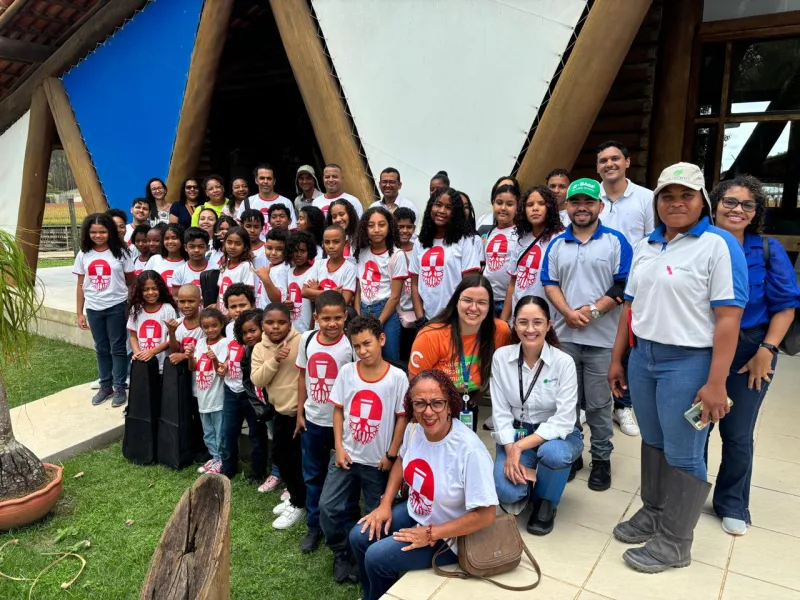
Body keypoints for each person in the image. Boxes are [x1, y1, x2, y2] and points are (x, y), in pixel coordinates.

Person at [608, 162, 747, 573]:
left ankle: (675, 541)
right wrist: (618, 358)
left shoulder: (718, 245)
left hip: (688, 361)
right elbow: (630, 308)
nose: (675, 203)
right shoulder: (647, 246)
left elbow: (728, 318)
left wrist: (716, 382)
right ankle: (653, 511)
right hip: (644, 357)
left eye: (685, 195)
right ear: (657, 203)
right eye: (666, 196)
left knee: (684, 452)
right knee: (652, 441)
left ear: (701, 200)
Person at [350, 370, 497, 600]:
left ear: (450, 404)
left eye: (437, 403)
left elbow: (487, 514)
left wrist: (430, 533)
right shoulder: (414, 430)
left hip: (449, 537)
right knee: (359, 536)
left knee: (376, 557)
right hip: (417, 513)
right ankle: (372, 594)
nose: (428, 412)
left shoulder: (470, 451)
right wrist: (385, 503)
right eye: (420, 403)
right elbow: (401, 459)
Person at [707, 175, 800, 536]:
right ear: (715, 205)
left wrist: (767, 349)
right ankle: (685, 494)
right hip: (702, 348)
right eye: (730, 201)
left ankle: (731, 501)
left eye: (748, 205)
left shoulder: (766, 249)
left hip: (750, 351)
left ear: (757, 212)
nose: (738, 210)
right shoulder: (698, 243)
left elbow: (786, 305)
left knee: (738, 431)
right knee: (695, 425)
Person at [542, 178, 632, 492]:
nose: (582, 207)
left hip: (602, 340)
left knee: (597, 405)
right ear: (566, 206)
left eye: (588, 202)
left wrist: (593, 311)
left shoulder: (616, 241)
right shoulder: (556, 243)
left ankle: (602, 459)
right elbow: (549, 282)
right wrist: (568, 313)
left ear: (600, 206)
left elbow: (623, 285)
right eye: (575, 201)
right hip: (564, 337)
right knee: (566, 403)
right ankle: (571, 453)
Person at [321, 315, 408, 583]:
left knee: (375, 515)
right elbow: (339, 410)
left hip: (377, 463)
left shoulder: (397, 377)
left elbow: (402, 417)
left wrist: (391, 454)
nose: (363, 351)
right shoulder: (348, 372)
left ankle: (364, 558)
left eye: (367, 343)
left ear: (382, 339)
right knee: (328, 507)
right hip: (346, 456)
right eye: (357, 346)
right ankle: (341, 552)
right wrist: (338, 446)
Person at [491, 296, 583, 535]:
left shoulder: (564, 363)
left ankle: (546, 503)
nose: (530, 329)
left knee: (554, 454)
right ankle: (541, 479)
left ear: (549, 325)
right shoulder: (501, 357)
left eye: (537, 322)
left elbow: (564, 420)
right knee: (508, 493)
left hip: (556, 435)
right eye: (523, 322)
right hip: (516, 431)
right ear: (514, 324)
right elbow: (500, 412)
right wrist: (511, 448)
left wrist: (518, 448)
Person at [596, 141, 654, 438]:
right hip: (595, 285)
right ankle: (590, 403)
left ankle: (623, 405)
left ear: (627, 162)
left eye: (615, 158)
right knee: (596, 344)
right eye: (603, 160)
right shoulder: (592, 197)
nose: (609, 164)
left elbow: (653, 242)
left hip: (633, 287)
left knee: (628, 346)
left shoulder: (645, 198)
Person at [409, 274, 511, 431]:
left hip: (469, 402)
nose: (473, 308)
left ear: (490, 306)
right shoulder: (431, 334)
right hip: (436, 405)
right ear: (456, 301)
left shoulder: (500, 331)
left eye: (481, 303)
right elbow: (415, 383)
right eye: (467, 300)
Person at [295, 291, 356, 553]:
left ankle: (347, 523)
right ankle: (314, 525)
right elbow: (302, 378)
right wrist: (300, 413)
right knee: (313, 474)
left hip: (342, 425)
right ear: (316, 317)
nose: (332, 324)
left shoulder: (351, 345)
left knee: (347, 476)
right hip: (313, 420)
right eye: (326, 318)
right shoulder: (307, 340)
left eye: (338, 318)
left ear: (346, 317)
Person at [251, 302, 306, 529]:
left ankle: (300, 503)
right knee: (283, 459)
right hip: (279, 411)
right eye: (270, 323)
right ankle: (296, 498)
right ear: (262, 324)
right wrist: (275, 360)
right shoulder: (259, 348)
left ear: (289, 322)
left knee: (296, 461)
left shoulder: (301, 341)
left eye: (281, 322)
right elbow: (257, 380)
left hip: (301, 413)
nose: (276, 327)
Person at [74, 213, 134, 406]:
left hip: (116, 306)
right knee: (101, 348)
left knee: (117, 348)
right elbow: (80, 284)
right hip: (94, 307)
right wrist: (79, 312)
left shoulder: (121, 253)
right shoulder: (84, 253)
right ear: (87, 233)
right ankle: (105, 385)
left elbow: (131, 282)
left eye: (102, 231)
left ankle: (119, 387)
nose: (98, 235)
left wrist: (130, 307)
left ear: (110, 232)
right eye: (93, 232)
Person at [409, 187, 481, 322]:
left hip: (455, 319)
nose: (442, 211)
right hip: (427, 319)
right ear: (430, 207)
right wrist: (420, 319)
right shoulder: (421, 242)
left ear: (456, 212)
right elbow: (414, 284)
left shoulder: (465, 241)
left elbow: (470, 286)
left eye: (449, 207)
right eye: (438, 204)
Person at [219, 284, 267, 482]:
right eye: (233, 306)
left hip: (253, 391)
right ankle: (227, 468)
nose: (238, 310)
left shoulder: (260, 328)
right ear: (227, 309)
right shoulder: (229, 328)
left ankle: (257, 472)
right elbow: (230, 352)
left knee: (257, 433)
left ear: (253, 304)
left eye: (242, 305)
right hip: (231, 387)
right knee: (228, 432)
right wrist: (224, 364)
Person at [500, 186, 564, 323]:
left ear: (550, 207)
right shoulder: (522, 239)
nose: (535, 208)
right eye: (530, 205)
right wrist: (503, 321)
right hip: (519, 317)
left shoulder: (561, 239)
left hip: (548, 318)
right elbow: (513, 283)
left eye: (541, 203)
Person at [353, 207, 407, 362]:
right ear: (365, 228)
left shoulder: (396, 255)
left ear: (390, 227)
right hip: (363, 309)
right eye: (371, 225)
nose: (376, 230)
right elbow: (359, 287)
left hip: (386, 312)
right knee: (365, 357)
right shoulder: (361, 252)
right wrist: (358, 315)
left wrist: (377, 323)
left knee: (389, 358)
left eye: (381, 225)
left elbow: (395, 296)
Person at [189, 307, 229, 475]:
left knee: (220, 432)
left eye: (214, 325)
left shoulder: (224, 343)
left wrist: (214, 360)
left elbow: (221, 372)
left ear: (221, 325)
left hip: (217, 397)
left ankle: (221, 460)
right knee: (208, 431)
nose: (210, 330)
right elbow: (193, 368)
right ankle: (214, 456)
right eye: (206, 327)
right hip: (202, 396)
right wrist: (190, 356)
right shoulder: (199, 343)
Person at [127, 270, 178, 378]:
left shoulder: (168, 309)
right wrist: (137, 353)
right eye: (146, 289)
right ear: (139, 291)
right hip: (142, 364)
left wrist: (152, 352)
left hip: (163, 366)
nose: (150, 292)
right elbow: (132, 336)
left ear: (160, 288)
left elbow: (171, 339)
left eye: (154, 288)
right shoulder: (135, 309)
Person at [482, 184, 519, 317]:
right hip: (487, 298)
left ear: (517, 207)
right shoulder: (491, 232)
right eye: (499, 203)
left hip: (508, 301)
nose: (503, 208)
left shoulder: (521, 233)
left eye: (509, 204)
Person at [303, 225, 357, 306]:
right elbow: (304, 292)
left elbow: (345, 301)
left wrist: (316, 293)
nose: (331, 246)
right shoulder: (318, 264)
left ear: (345, 243)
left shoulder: (350, 268)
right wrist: (331, 293)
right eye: (327, 242)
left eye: (336, 242)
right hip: (318, 317)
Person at [394, 207, 417, 360]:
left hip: (415, 314)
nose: (404, 231)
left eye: (408, 227)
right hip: (394, 313)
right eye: (400, 227)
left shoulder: (418, 250)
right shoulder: (391, 251)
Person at [217, 226, 256, 313]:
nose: (232, 247)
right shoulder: (224, 265)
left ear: (245, 247)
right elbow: (220, 294)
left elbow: (247, 295)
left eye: (238, 244)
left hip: (237, 313)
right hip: (223, 314)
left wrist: (227, 317)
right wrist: (218, 313)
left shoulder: (246, 266)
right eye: (229, 242)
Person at [285, 231, 318, 333]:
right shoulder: (289, 272)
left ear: (309, 252)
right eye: (295, 251)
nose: (298, 255)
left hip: (307, 328)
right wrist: (286, 304)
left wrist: (311, 328)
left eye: (303, 251)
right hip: (292, 329)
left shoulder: (313, 271)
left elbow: (315, 305)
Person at [249, 164, 297, 230]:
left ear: (274, 181)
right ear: (256, 180)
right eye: (262, 178)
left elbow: (292, 229)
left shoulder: (286, 202)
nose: (265, 181)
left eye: (269, 178)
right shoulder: (247, 202)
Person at [144, 223, 187, 291]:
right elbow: (143, 283)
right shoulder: (155, 259)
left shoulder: (187, 263)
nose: (170, 241)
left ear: (182, 239)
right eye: (166, 238)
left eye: (174, 238)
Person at [171, 227, 211, 296]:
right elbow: (176, 297)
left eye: (201, 246)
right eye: (192, 246)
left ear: (207, 248)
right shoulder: (179, 271)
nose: (196, 250)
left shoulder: (216, 269)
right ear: (185, 247)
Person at [326, 198, 359, 262]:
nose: (338, 219)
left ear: (350, 215)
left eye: (341, 214)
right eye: (334, 217)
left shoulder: (361, 238)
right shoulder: (327, 239)